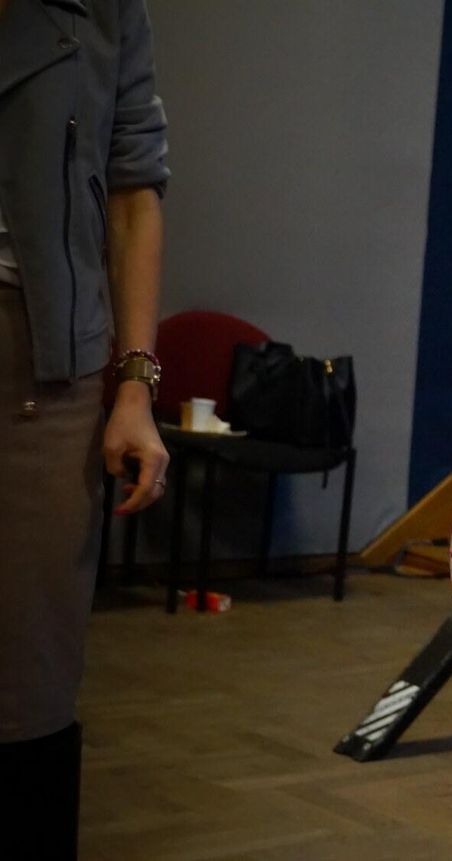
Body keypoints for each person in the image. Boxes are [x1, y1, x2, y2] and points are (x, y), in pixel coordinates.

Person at [0, 0, 171, 855]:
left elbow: (135, 196)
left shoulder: (106, 11)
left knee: (28, 686)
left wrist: (135, 387)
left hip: (42, 369)